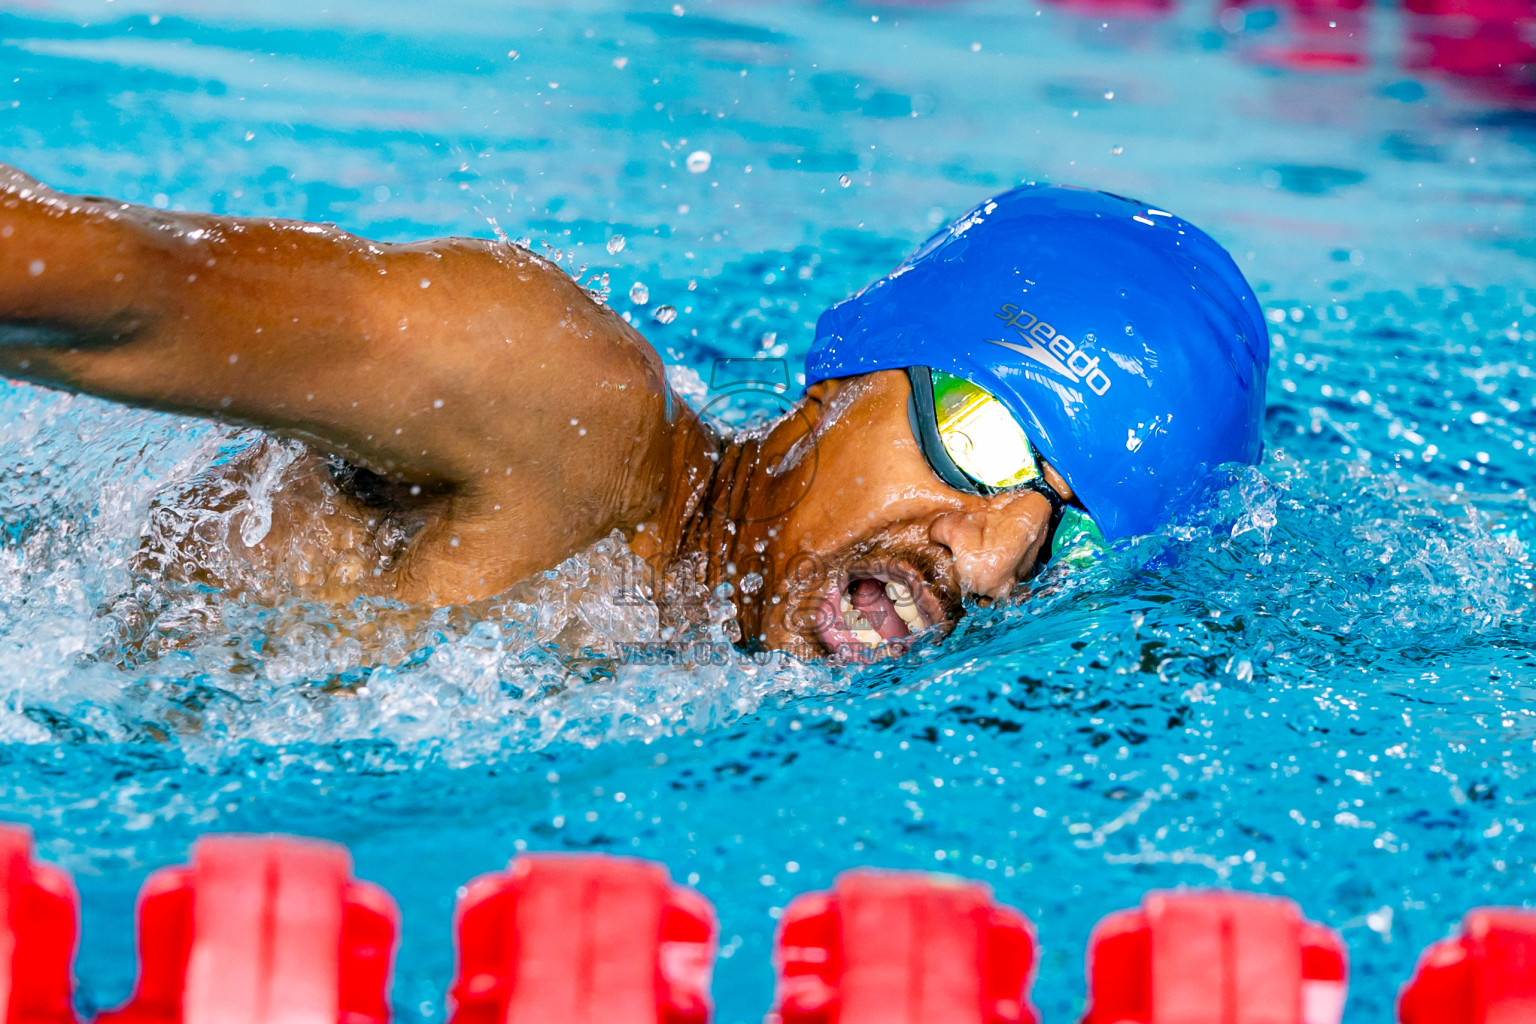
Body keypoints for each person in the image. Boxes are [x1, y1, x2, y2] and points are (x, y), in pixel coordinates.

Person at [0, 165, 1266, 661]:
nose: (992, 562)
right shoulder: (560, 404)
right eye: (983, 444)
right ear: (849, 371)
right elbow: (121, 291)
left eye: (1069, 537)